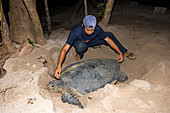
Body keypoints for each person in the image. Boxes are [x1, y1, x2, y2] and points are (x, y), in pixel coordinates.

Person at [54, 15, 135, 79]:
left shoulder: (97, 29)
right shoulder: (76, 31)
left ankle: (124, 52)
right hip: (79, 43)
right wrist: (59, 66)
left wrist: (120, 53)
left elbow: (109, 40)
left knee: (109, 35)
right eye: (87, 30)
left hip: (91, 41)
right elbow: (65, 49)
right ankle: (80, 54)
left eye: (92, 30)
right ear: (83, 25)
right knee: (81, 46)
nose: (90, 32)